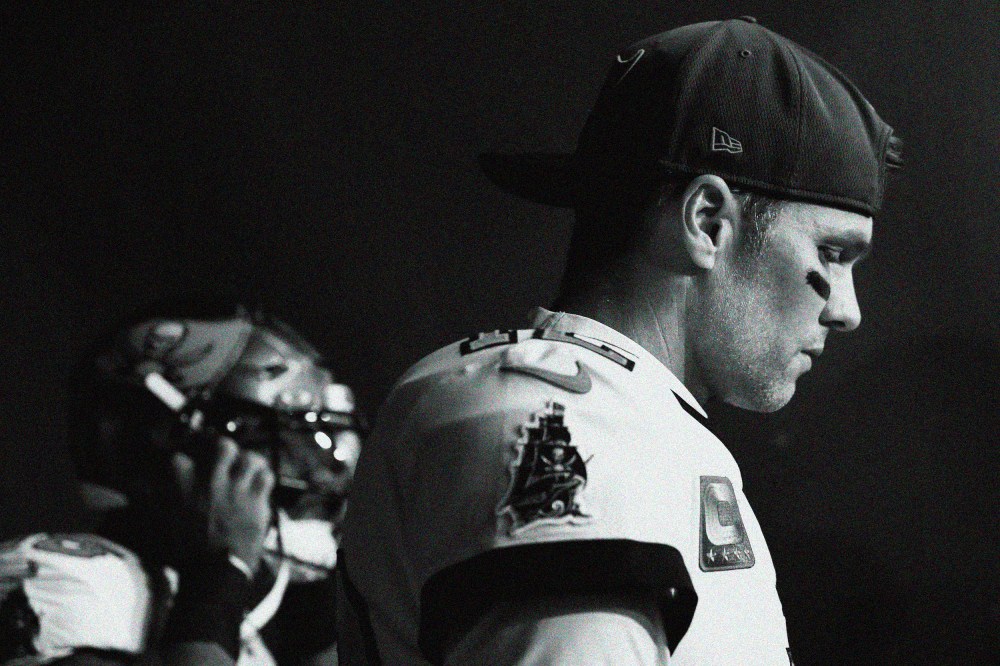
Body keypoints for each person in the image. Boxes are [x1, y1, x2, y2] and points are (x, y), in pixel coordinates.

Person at [337, 17, 902, 666]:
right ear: (707, 222)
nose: (848, 311)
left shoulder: (618, 417)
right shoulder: (557, 422)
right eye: (831, 252)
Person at [1, 304, 365, 665]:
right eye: (286, 451)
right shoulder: (66, 583)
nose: (321, 481)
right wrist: (218, 574)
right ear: (190, 448)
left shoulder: (235, 625)